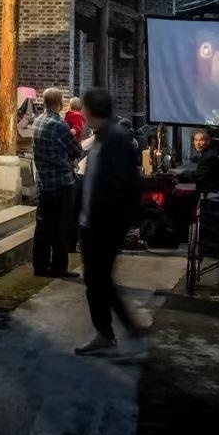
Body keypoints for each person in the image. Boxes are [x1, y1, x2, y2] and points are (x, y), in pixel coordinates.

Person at [76, 87, 144, 354]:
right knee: (98, 280)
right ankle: (113, 331)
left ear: (90, 110)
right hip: (92, 222)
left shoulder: (116, 139)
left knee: (98, 280)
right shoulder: (102, 137)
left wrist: (118, 221)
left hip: (104, 224)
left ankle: (111, 333)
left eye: (84, 108)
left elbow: (127, 186)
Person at [31, 88, 82, 279]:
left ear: (44, 102)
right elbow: (76, 150)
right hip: (61, 182)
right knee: (61, 227)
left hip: (43, 182)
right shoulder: (59, 125)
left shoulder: (37, 121)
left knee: (42, 226)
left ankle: (40, 267)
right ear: (60, 104)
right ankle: (58, 268)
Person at [177, 127, 219, 195]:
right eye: (196, 140)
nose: (198, 143)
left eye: (201, 140)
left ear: (207, 141)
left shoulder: (209, 156)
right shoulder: (206, 154)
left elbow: (199, 176)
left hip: (210, 195)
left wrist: (179, 176)